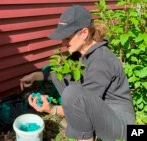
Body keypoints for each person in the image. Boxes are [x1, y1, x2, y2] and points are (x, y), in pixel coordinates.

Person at [20, 5, 135, 141]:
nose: (63, 42)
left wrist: (51, 109)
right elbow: (56, 73)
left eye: (67, 38)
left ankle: (86, 138)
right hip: (101, 110)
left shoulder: (101, 61)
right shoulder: (79, 54)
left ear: (84, 33)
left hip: (121, 124)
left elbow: (80, 105)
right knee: (60, 76)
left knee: (72, 93)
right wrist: (35, 76)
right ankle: (85, 131)